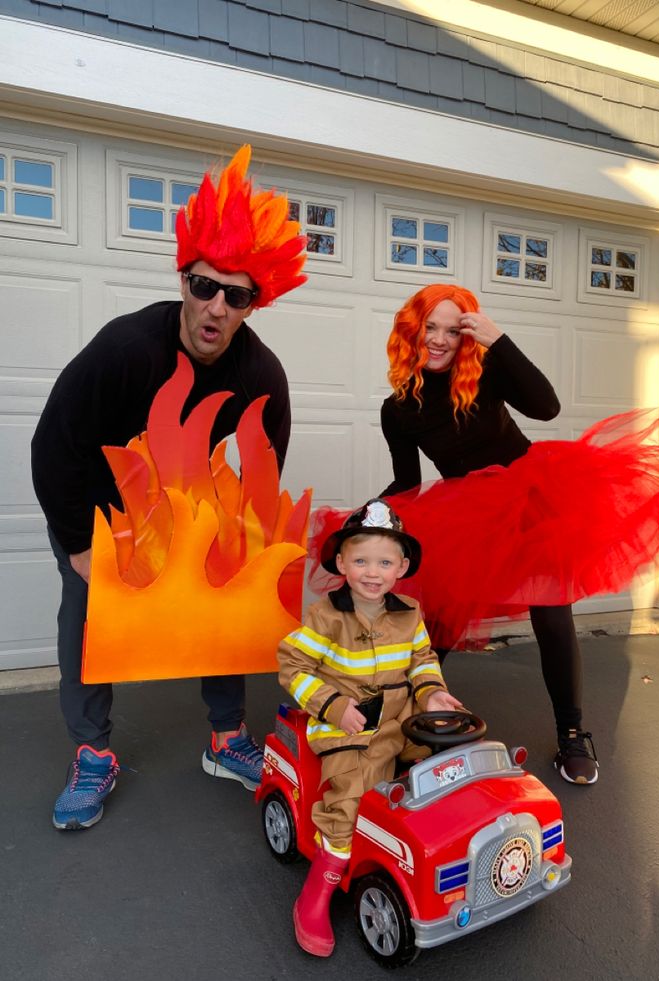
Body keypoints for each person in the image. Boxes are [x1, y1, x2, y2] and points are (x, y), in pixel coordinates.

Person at [31, 145, 307, 831]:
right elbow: (54, 446)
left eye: (235, 294)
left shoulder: (263, 375)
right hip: (96, 500)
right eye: (203, 285)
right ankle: (94, 753)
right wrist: (76, 549)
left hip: (185, 495)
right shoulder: (126, 349)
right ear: (183, 278)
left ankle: (225, 738)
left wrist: (246, 545)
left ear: (253, 302)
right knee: (91, 618)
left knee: (225, 595)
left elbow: (264, 469)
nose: (215, 305)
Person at [378, 284, 588, 786]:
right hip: (468, 513)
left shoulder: (485, 372)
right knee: (440, 619)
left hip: (527, 500)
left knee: (552, 614)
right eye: (431, 327)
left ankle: (573, 734)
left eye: (454, 330)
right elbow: (406, 484)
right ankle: (402, 726)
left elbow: (548, 408)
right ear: (413, 328)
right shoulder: (397, 409)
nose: (440, 340)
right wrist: (367, 514)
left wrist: (497, 340)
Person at [278, 498, 463, 957]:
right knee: (351, 796)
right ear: (342, 563)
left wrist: (432, 694)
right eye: (360, 560)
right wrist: (333, 705)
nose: (372, 572)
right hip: (349, 729)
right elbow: (292, 666)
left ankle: (439, 851)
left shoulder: (409, 612)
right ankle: (315, 896)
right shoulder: (326, 615)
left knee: (449, 764)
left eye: (384, 562)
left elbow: (422, 661)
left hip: (402, 719)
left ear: (401, 567)